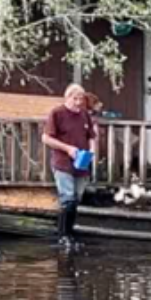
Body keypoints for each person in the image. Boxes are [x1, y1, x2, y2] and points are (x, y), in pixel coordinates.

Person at [43, 84, 98, 246]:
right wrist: (67, 148)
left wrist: (92, 151)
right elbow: (46, 138)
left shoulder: (84, 115)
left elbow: (91, 137)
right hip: (63, 162)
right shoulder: (57, 113)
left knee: (77, 198)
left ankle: (70, 233)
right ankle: (63, 236)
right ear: (67, 98)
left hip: (82, 163)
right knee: (67, 198)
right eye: (75, 98)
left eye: (81, 99)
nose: (78, 102)